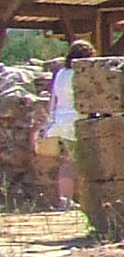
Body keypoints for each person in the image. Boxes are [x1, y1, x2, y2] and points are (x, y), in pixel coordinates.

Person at [38, 40, 94, 210]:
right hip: (75, 119)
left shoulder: (61, 73)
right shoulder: (81, 73)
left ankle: (66, 199)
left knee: (67, 161)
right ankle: (70, 201)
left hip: (60, 120)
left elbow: (53, 99)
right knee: (76, 161)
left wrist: (49, 120)